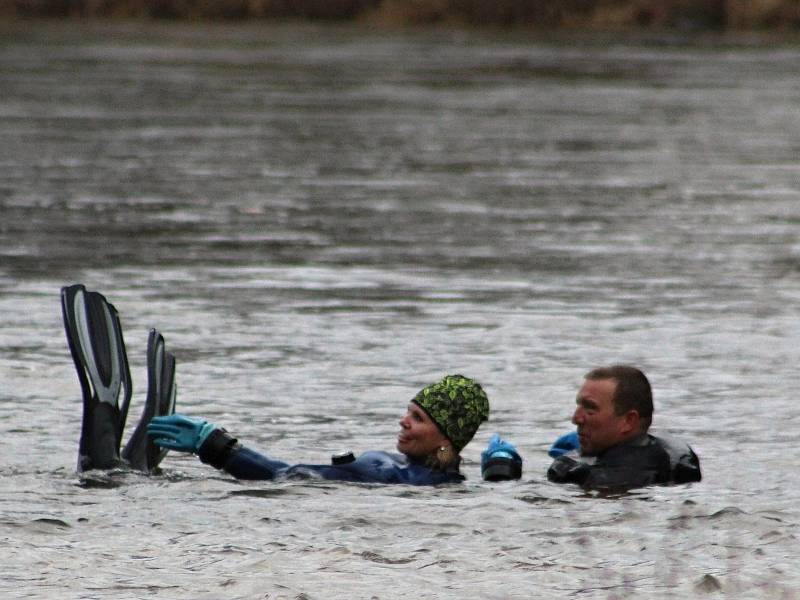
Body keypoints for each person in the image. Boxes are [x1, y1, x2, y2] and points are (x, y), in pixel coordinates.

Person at [147, 374, 490, 485]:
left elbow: (285, 477)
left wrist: (215, 445)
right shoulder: (449, 479)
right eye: (407, 411)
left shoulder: (384, 473)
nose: (403, 421)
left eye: (418, 418)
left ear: (445, 437)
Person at [546, 365, 701, 491]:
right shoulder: (675, 457)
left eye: (590, 409)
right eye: (579, 406)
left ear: (628, 421)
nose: (576, 419)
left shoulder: (603, 480)